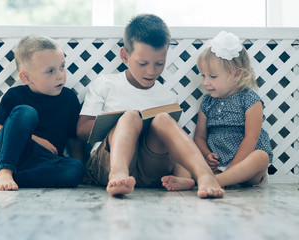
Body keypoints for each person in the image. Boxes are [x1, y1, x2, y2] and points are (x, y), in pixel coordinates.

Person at [77, 14, 225, 198]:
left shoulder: (167, 96)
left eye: (159, 63)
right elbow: (82, 130)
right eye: (142, 63)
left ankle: (204, 175)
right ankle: (118, 174)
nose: (151, 71)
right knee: (131, 117)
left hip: (152, 169)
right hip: (108, 165)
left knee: (163, 119)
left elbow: (175, 144)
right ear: (125, 55)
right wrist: (121, 123)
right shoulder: (105, 84)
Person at [0, 35, 85, 190]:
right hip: (4, 154)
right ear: (26, 77)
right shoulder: (15, 95)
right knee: (26, 112)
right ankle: (5, 171)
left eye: (62, 67)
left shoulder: (69, 98)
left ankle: (4, 178)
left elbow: (74, 140)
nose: (60, 75)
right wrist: (36, 140)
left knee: (75, 169)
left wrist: (83, 172)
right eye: (50, 71)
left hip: (43, 162)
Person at [193, 31, 272, 187]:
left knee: (261, 157)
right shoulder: (207, 102)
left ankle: (216, 181)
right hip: (216, 166)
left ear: (236, 74)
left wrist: (233, 167)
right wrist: (207, 155)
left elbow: (251, 138)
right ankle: (190, 179)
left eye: (213, 76)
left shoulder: (249, 100)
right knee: (185, 151)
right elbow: (199, 137)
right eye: (203, 75)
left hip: (246, 169)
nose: (206, 82)